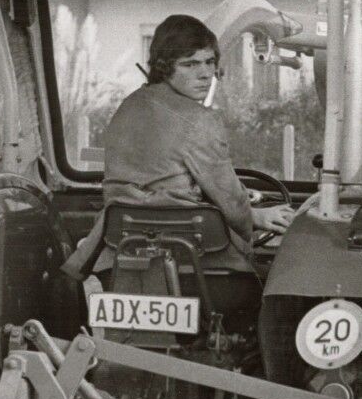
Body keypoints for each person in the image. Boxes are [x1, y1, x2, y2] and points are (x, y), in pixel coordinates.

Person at [63, 15, 294, 277]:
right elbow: (231, 203)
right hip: (190, 262)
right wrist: (255, 218)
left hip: (116, 257)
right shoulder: (200, 120)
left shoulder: (127, 107)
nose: (206, 74)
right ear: (164, 67)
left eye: (209, 62)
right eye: (190, 64)